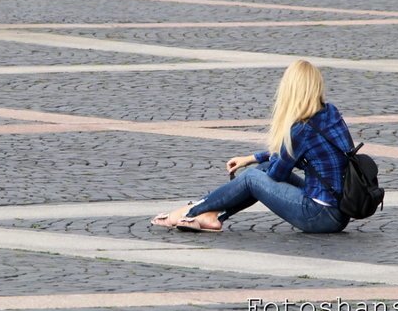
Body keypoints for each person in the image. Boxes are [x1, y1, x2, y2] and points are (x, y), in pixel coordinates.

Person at [151, 60, 353, 234]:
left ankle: (189, 212)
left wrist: (258, 165)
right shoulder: (329, 112)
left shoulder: (301, 130)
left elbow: (277, 175)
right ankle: (214, 215)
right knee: (260, 171)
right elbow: (292, 153)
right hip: (339, 209)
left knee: (252, 178)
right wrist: (253, 158)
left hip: (320, 215)